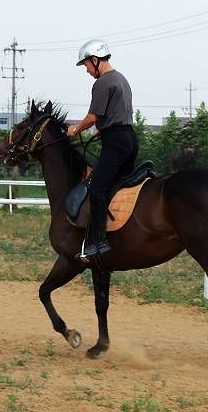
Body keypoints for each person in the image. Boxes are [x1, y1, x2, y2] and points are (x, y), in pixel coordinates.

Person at [67, 39, 139, 260]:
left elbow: (93, 117)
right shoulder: (121, 79)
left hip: (116, 143)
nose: (87, 70)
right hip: (129, 139)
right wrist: (103, 130)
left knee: (97, 187)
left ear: (96, 60)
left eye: (87, 65)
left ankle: (97, 241)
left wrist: (75, 130)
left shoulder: (102, 83)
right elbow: (118, 115)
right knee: (115, 185)